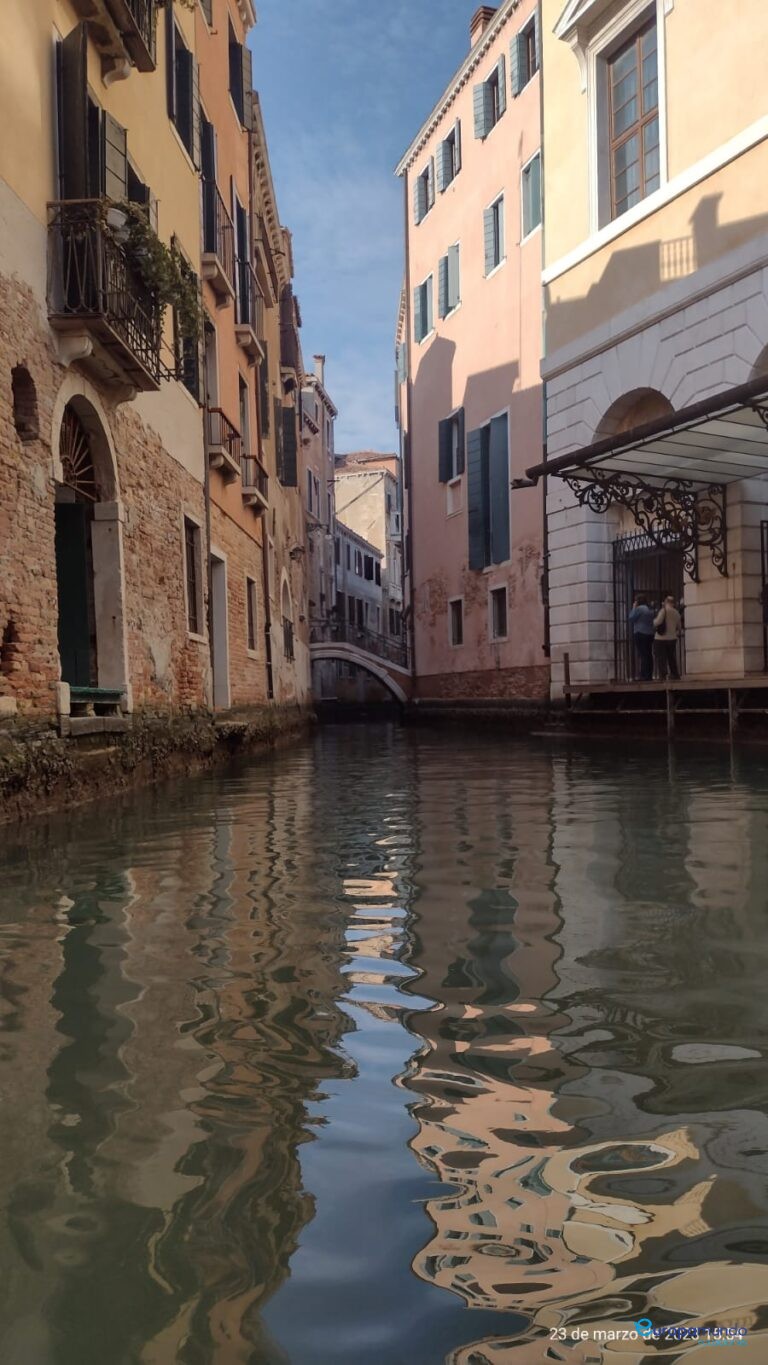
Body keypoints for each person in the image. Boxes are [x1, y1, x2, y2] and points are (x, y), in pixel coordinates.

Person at [654, 594, 683, 680]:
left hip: (661, 638)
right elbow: (679, 627)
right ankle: (675, 674)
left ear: (666, 602)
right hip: (672, 638)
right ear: (673, 603)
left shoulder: (664, 611)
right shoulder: (676, 613)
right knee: (671, 657)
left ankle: (663, 675)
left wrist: (653, 622)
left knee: (661, 657)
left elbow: (658, 622)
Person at [628, 593, 655, 681]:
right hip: (650, 634)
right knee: (649, 654)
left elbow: (631, 618)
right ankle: (649, 675)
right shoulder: (649, 609)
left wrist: (634, 607)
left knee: (643, 655)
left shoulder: (639, 609)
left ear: (638, 601)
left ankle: (644, 675)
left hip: (640, 633)